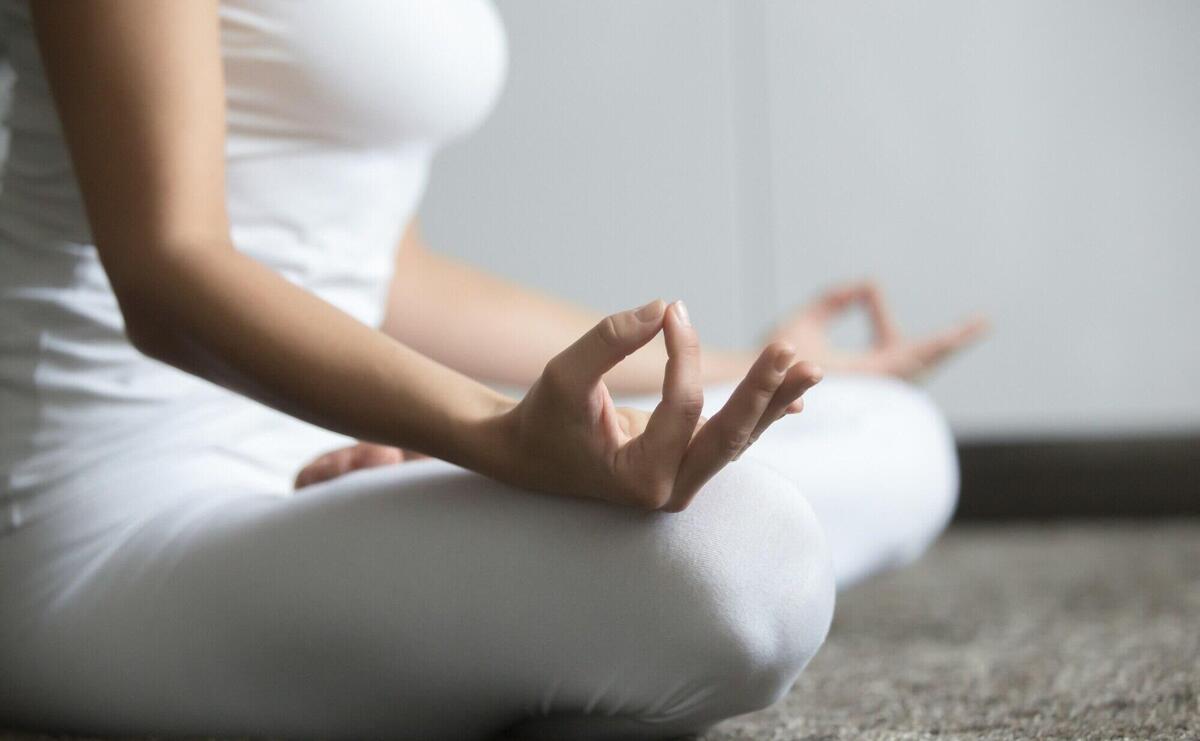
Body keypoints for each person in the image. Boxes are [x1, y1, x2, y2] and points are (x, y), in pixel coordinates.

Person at [0, 2, 986, 739]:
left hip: (356, 443)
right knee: (748, 568)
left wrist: (752, 371)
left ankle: (483, 643)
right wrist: (488, 439)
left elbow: (392, 277)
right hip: (111, 506)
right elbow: (167, 271)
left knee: (895, 430)